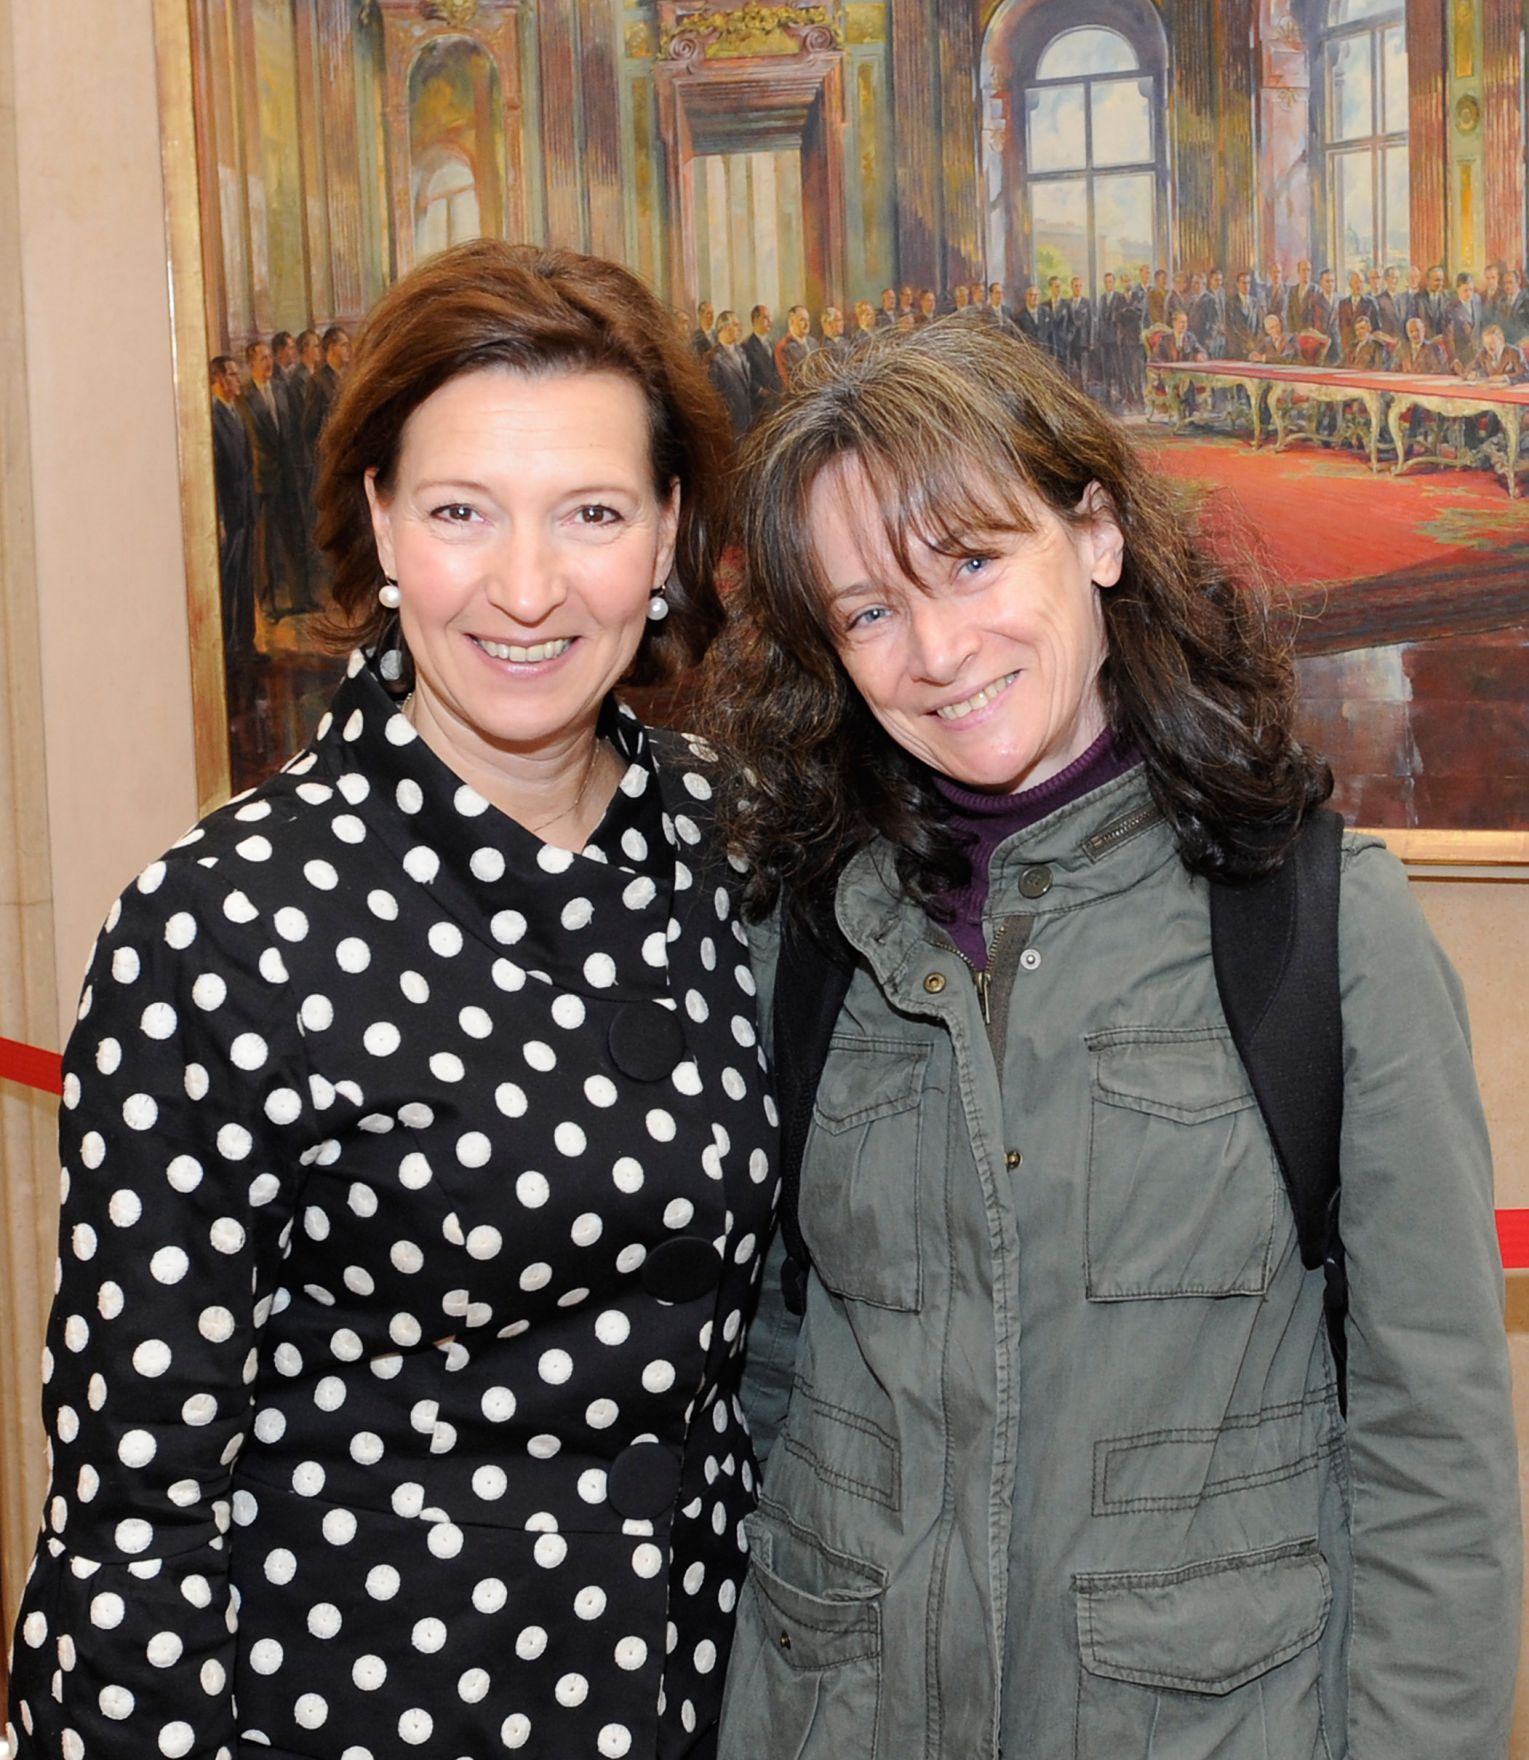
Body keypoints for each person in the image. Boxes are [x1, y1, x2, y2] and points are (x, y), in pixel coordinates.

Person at [703, 318, 1520, 1759]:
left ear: (1093, 535)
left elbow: (1431, 1451)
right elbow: (767, 1377)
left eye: (971, 562)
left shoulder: (1322, 933)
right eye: (867, 610)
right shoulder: (802, 943)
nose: (939, 651)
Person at [5, 239, 778, 1760]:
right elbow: (130, 1509)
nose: (528, 587)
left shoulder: (736, 844)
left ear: (672, 533)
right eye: (460, 513)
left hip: (706, 1697)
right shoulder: (223, 926)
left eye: (594, 514)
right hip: (355, 1708)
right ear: (377, 523)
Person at [707, 306, 753, 437]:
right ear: (725, 328)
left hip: (746, 421)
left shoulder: (741, 352)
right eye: (736, 325)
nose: (740, 329)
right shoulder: (714, 357)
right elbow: (714, 394)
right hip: (729, 424)